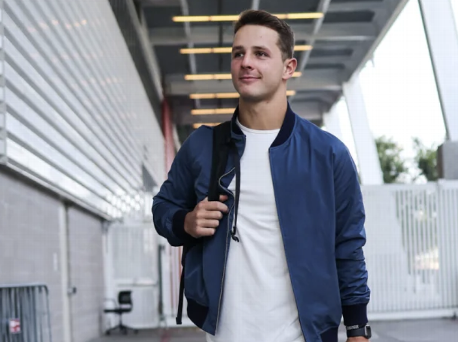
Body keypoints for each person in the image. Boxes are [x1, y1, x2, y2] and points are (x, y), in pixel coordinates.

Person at [152, 9, 371, 342]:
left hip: (304, 335)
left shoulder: (328, 154)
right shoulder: (203, 146)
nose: (246, 62)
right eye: (238, 53)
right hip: (225, 333)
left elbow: (348, 246)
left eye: (260, 53)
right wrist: (185, 222)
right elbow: (162, 207)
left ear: (288, 68)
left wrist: (358, 329)